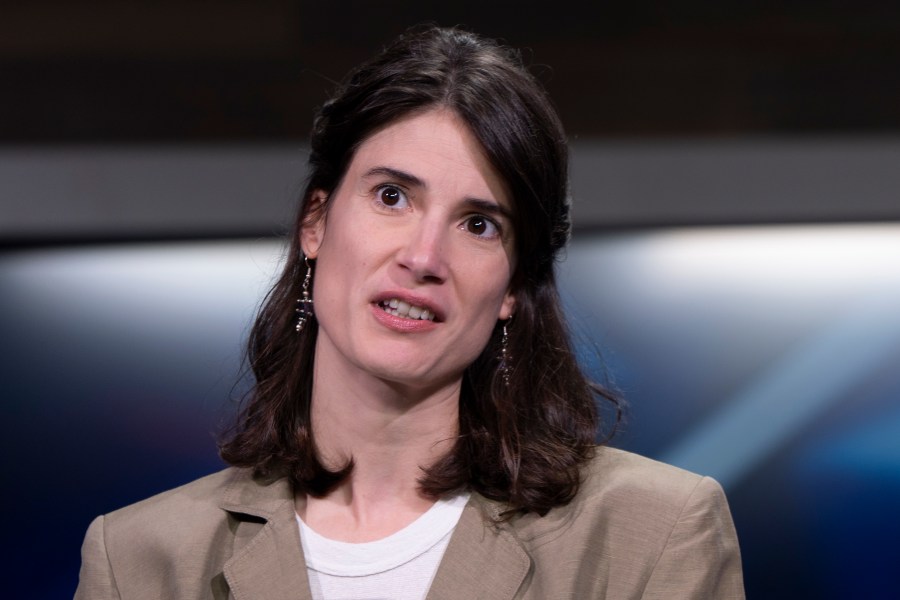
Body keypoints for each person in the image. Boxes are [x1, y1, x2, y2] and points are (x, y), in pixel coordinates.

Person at [75, 26, 744, 599]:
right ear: (316, 222)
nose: (424, 256)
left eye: (479, 224)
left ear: (514, 285)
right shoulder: (140, 559)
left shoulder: (652, 534)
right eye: (392, 196)